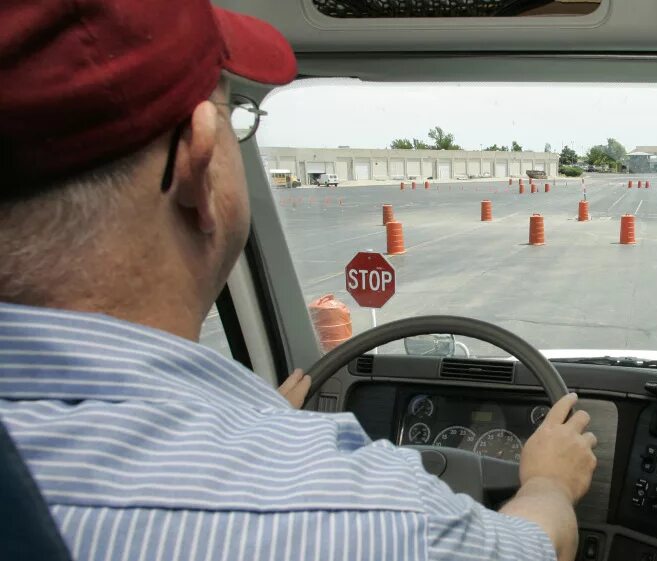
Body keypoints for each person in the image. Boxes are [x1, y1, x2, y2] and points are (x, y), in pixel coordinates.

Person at [0, 1, 597, 560]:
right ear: (197, 165)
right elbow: (537, 546)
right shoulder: (354, 516)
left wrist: (259, 419)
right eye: (237, 119)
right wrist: (548, 482)